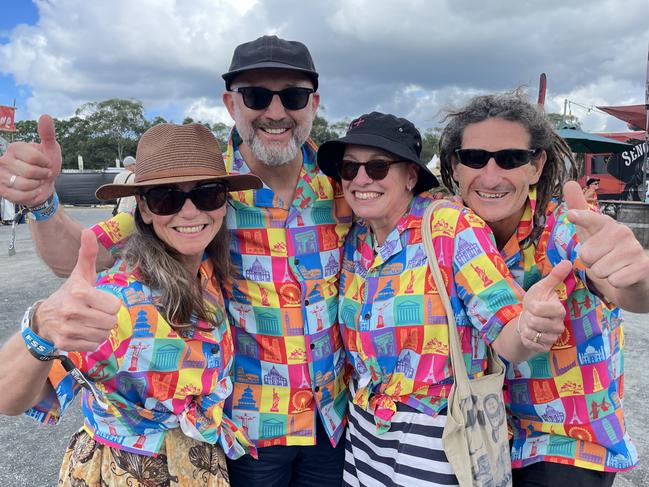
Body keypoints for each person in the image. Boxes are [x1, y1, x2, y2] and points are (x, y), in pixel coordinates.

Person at [0, 35, 352, 487]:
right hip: (245, 431)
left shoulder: (345, 186)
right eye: (257, 95)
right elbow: (83, 255)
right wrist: (43, 204)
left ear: (314, 103)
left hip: (331, 418)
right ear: (231, 103)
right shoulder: (190, 180)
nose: (276, 111)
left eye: (294, 95)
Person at [0, 122, 262, 485]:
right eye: (166, 197)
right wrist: (41, 326)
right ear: (145, 207)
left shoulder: (207, 271)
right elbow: (9, 397)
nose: (190, 212)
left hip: (202, 465)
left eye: (208, 194)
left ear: (224, 203)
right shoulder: (120, 298)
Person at [317, 112, 570, 487]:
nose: (361, 179)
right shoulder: (356, 239)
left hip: (438, 434)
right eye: (349, 168)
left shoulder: (449, 228)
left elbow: (507, 330)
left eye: (378, 166)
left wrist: (530, 328)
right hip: (365, 432)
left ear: (410, 176)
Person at [438, 91, 649, 487]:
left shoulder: (564, 229)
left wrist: (635, 278)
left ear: (536, 166)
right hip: (483, 436)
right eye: (474, 158)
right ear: (455, 165)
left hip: (566, 445)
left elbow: (624, 291)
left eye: (512, 159)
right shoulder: (447, 229)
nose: (491, 174)